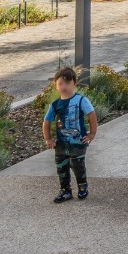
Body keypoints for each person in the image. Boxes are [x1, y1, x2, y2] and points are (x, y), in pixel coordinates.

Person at [41, 65, 97, 203]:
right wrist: (48, 138)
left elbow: (92, 115)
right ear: (56, 85)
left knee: (78, 165)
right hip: (61, 144)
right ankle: (65, 190)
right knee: (62, 166)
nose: (63, 86)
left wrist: (91, 134)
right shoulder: (55, 104)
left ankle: (82, 187)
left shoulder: (81, 100)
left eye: (67, 83)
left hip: (78, 143)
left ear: (74, 83)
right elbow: (47, 121)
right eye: (60, 83)